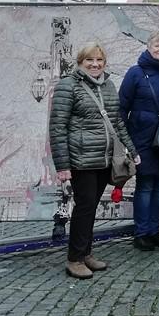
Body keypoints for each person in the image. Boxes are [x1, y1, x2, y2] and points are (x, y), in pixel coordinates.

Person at [50, 43, 139, 280]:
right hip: (81, 159)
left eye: (99, 60)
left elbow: (117, 122)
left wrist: (132, 149)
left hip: (103, 158)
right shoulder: (68, 86)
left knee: (91, 208)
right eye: (90, 60)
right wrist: (63, 165)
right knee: (85, 208)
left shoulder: (108, 85)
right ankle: (75, 258)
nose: (95, 64)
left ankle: (86, 253)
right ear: (80, 62)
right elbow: (58, 128)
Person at [119, 30, 159, 251]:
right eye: (157, 46)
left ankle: (155, 230)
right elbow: (122, 108)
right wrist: (126, 142)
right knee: (145, 186)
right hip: (142, 138)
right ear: (148, 47)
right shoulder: (135, 73)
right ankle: (142, 232)